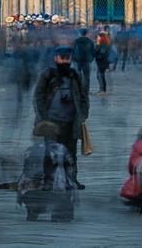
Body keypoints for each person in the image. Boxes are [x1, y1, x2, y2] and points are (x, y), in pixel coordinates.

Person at [33, 47, 89, 187]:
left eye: (67, 58)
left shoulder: (75, 76)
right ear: (56, 58)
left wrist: (83, 114)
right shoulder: (47, 75)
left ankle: (71, 179)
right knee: (49, 153)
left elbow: (83, 97)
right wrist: (43, 117)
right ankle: (48, 180)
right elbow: (38, 96)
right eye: (62, 58)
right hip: (51, 121)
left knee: (71, 153)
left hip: (71, 121)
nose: (64, 61)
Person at [94, 29, 113, 93]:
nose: (97, 38)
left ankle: (102, 89)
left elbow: (101, 53)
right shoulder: (106, 44)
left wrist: (96, 53)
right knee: (101, 75)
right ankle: (102, 89)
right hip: (103, 62)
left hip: (102, 62)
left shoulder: (102, 45)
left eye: (99, 37)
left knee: (100, 75)